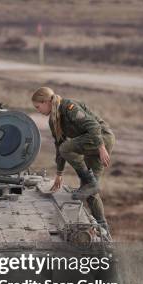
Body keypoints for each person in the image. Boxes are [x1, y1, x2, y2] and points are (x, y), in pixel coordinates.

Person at [31, 87, 115, 233]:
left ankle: (89, 181)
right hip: (91, 142)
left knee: (67, 150)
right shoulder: (54, 120)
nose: (38, 110)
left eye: (38, 107)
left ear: (46, 102)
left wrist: (101, 147)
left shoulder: (69, 107)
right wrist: (59, 173)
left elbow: (93, 126)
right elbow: (59, 147)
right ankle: (103, 226)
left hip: (102, 139)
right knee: (89, 189)